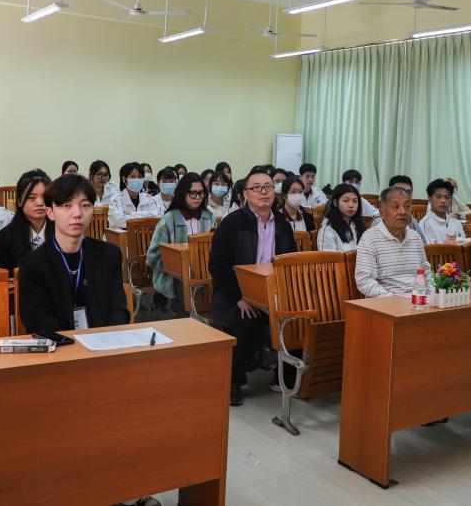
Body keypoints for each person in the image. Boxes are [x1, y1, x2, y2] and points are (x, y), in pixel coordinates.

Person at [209, 169, 297, 406]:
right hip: (237, 294)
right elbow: (218, 266)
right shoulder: (232, 223)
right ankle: (234, 382)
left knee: (297, 317)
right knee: (247, 320)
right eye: (256, 188)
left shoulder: (283, 224)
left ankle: (286, 378)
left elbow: (290, 263)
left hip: (274, 293)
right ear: (245, 194)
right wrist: (239, 296)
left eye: (267, 187)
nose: (263, 192)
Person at [18, 173, 129, 333]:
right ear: (50, 212)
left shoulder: (109, 255)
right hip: (59, 345)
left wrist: (106, 340)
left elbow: (118, 310)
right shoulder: (33, 264)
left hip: (103, 343)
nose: (77, 213)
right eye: (66, 205)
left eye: (85, 205)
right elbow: (38, 321)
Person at [146, 172, 216, 314]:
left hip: (204, 274)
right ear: (183, 193)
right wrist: (176, 266)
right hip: (174, 277)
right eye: (193, 193)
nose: (198, 197)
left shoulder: (209, 217)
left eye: (201, 193)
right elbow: (153, 255)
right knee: (182, 293)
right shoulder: (168, 219)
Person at [354, 185, 428, 297]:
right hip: (387, 302)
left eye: (407, 206)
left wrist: (432, 294)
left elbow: (426, 272)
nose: (403, 212)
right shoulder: (370, 238)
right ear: (382, 212)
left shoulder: (415, 237)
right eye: (396, 207)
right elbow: (364, 280)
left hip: (419, 299)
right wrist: (392, 299)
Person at [0, 169, 53, 273]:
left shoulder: (64, 233)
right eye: (32, 197)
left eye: (44, 197)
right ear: (19, 201)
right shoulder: (4, 237)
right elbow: (3, 278)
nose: (39, 203)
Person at [108, 162, 160, 228]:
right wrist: (146, 216)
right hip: (123, 234)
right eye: (132, 177)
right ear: (124, 179)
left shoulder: (149, 198)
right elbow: (119, 221)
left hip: (144, 234)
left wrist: (131, 214)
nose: (137, 179)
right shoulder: (116, 200)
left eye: (140, 177)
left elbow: (157, 217)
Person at [317, 183, 365, 252]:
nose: (351, 205)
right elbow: (329, 258)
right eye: (346, 201)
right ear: (335, 203)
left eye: (355, 201)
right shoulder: (328, 231)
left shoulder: (357, 225)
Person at [419, 178, 466, 244]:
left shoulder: (456, 223)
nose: (443, 201)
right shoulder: (425, 225)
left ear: (451, 199)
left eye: (447, 197)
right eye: (438, 197)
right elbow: (430, 250)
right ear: (429, 199)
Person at [384, 175, 428, 243]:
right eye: (400, 192)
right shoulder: (381, 220)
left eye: (408, 193)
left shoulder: (413, 222)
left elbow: (424, 246)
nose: (405, 196)